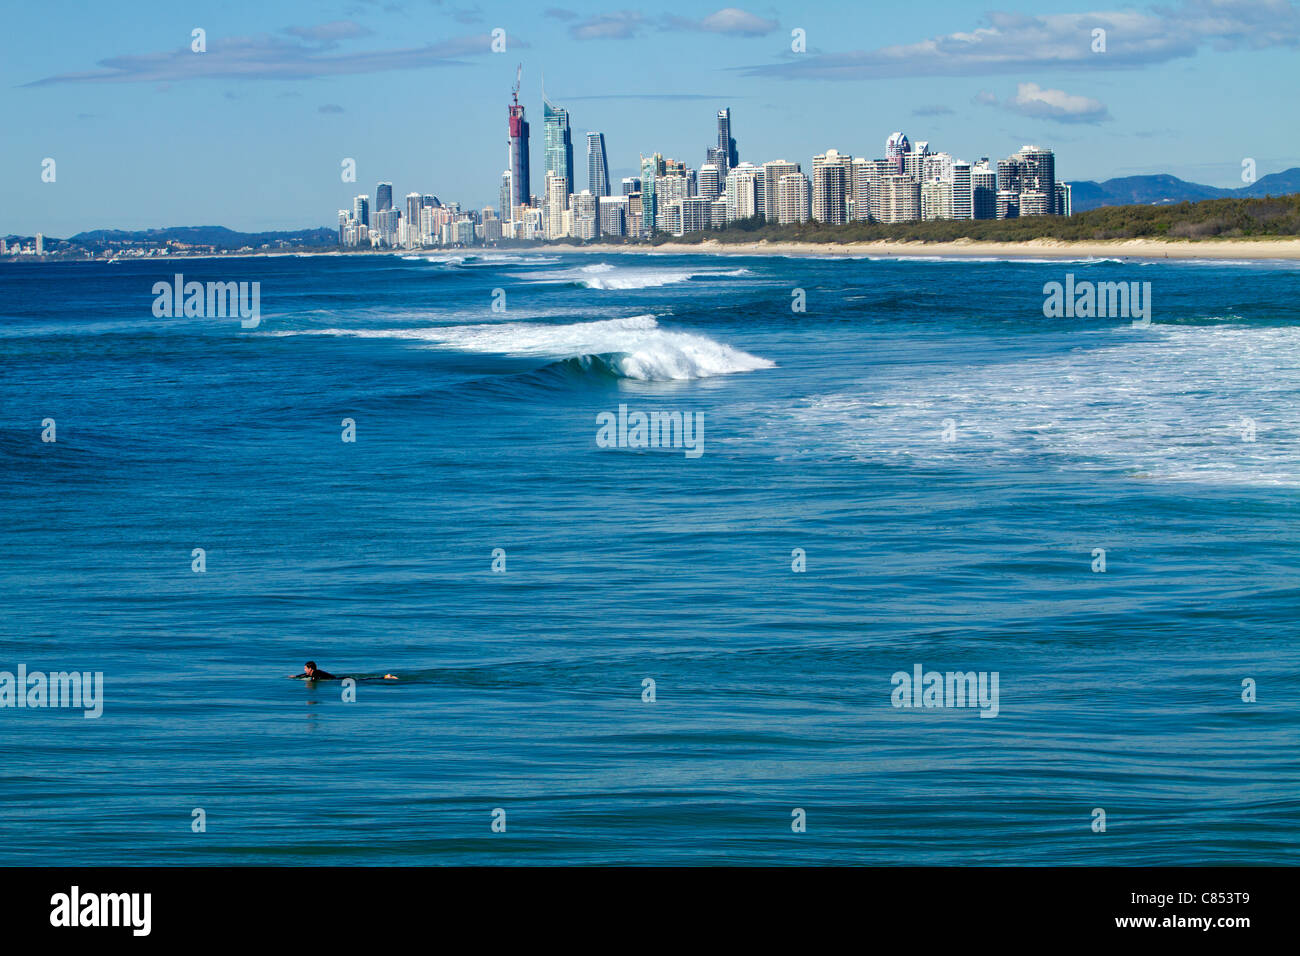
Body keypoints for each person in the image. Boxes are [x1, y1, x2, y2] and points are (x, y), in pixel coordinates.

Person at [290, 661, 398, 680]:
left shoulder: (316, 674)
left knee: (364, 680)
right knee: (363, 679)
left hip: (339, 680)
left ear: (310, 669)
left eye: (305, 668)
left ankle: (385, 677)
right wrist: (296, 676)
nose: (304, 670)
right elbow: (305, 675)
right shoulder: (315, 672)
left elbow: (310, 678)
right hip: (339, 679)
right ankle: (385, 677)